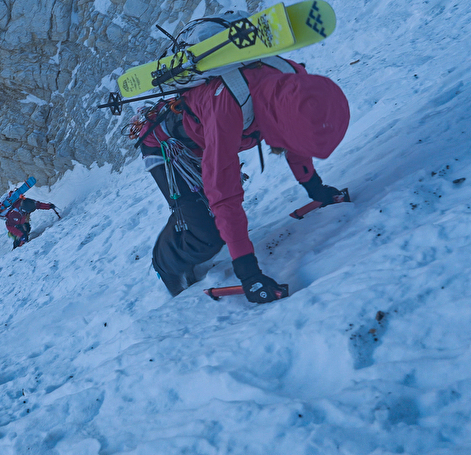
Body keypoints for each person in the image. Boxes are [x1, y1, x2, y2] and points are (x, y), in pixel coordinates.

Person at [130, 57, 350, 303]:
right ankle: (166, 265)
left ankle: (190, 214)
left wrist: (315, 188)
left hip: (203, 139)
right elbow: (224, 195)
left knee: (204, 212)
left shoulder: (292, 81)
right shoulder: (227, 108)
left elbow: (296, 137)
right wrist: (248, 273)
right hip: (166, 147)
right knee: (206, 236)